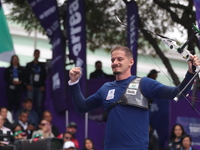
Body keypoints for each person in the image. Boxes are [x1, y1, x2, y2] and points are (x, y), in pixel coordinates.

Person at [68, 45, 200, 150]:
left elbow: (177, 93)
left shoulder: (144, 83)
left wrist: (190, 73)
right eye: (112, 60)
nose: (115, 62)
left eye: (119, 59)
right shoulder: (105, 88)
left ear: (131, 61)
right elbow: (81, 107)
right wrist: (74, 82)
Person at [25, 49, 46, 117]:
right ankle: (28, 118)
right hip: (31, 86)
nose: (37, 55)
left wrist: (43, 85)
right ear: (34, 54)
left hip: (39, 88)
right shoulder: (29, 65)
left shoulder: (42, 66)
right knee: (29, 104)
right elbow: (26, 75)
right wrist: (27, 84)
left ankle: (38, 120)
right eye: (36, 54)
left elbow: (44, 76)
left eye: (38, 54)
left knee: (39, 105)